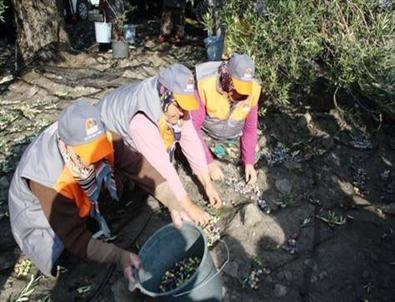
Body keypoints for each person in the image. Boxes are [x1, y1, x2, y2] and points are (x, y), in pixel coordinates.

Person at [8, 100, 190, 279]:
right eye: (88, 154)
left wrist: (173, 202)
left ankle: (92, 208)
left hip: (76, 183)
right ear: (68, 148)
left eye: (99, 150)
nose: (96, 161)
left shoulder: (105, 137)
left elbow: (140, 168)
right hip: (37, 214)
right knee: (61, 251)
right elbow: (76, 238)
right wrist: (118, 255)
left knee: (116, 184)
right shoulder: (49, 180)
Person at [97, 64, 222, 226]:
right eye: (178, 106)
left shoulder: (173, 103)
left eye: (186, 106)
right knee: (119, 187)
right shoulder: (142, 121)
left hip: (132, 124)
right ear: (165, 96)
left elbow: (190, 139)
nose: (182, 112)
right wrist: (189, 206)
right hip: (105, 134)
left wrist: (207, 184)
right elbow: (162, 167)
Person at [191, 53, 262, 184]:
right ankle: (199, 154)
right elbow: (192, 128)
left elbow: (250, 129)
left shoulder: (254, 91)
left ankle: (211, 152)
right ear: (227, 77)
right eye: (236, 88)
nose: (240, 94)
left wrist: (249, 163)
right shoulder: (205, 85)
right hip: (206, 133)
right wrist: (209, 164)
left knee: (253, 155)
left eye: (244, 90)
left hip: (230, 135)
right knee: (189, 142)